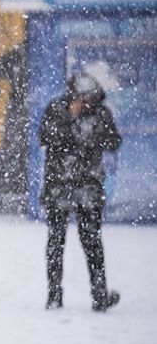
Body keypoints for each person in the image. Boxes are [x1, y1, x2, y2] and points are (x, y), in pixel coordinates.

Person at [39, 73, 122, 311]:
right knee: (56, 241)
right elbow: (45, 137)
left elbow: (114, 141)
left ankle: (99, 295)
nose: (86, 104)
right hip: (59, 186)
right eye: (82, 99)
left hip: (88, 187)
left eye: (90, 100)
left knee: (92, 242)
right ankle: (54, 294)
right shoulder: (56, 110)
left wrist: (93, 134)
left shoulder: (101, 114)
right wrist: (69, 120)